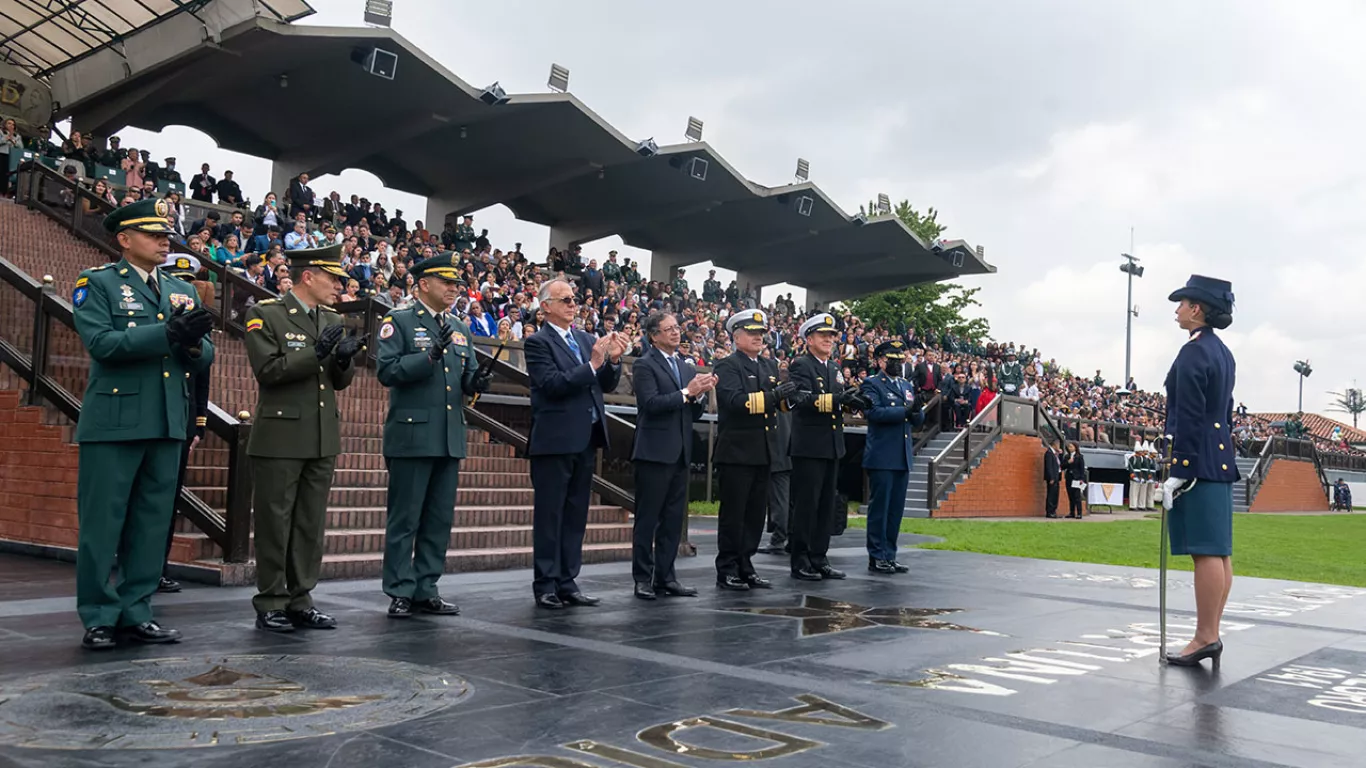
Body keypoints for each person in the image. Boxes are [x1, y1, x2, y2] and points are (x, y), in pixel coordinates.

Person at [71, 198, 215, 649]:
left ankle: (137, 610)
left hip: (167, 419)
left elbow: (206, 354)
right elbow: (102, 343)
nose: (163, 241)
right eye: (153, 234)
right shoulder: (97, 284)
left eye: (165, 235)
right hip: (115, 420)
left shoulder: (182, 290)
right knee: (103, 521)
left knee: (152, 522)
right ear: (124, 239)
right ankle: (98, 614)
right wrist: (166, 334)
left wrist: (191, 343)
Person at [243, 243, 362, 632]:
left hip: (321, 433)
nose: (338, 286)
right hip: (281, 433)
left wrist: (343, 358)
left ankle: (301, 598)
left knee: (310, 523)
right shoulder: (266, 315)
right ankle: (272, 599)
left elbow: (337, 383)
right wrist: (316, 353)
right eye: (332, 278)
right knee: (275, 521)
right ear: (307, 276)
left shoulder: (330, 318)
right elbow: (269, 371)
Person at [376, 254, 490, 618]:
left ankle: (427, 586)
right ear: (423, 284)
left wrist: (476, 382)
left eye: (457, 284)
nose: (455, 289)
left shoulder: (459, 326)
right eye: (448, 283)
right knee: (405, 518)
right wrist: (428, 357)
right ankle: (399, 589)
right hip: (412, 436)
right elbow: (387, 371)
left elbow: (465, 376)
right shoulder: (400, 321)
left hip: (448, 435)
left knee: (439, 518)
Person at [524, 278, 626, 609]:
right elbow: (552, 384)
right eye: (565, 299)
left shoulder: (584, 338)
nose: (573, 304)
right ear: (546, 307)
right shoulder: (538, 343)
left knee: (575, 514)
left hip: (585, 437)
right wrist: (594, 363)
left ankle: (568, 580)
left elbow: (604, 384)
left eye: (575, 298)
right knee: (550, 515)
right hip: (554, 440)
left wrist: (612, 361)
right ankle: (546, 583)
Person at [1162, 274, 1239, 667]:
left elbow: (1189, 415)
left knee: (1205, 552)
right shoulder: (1222, 352)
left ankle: (1205, 635)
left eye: (1182, 303)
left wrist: (1181, 468)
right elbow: (1223, 412)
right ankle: (1210, 631)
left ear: (1197, 309)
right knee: (1219, 551)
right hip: (1219, 453)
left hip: (1199, 458)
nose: (1176, 309)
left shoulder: (1194, 351)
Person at [629, 311, 714, 599]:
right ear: (654, 335)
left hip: (680, 451)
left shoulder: (685, 366)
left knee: (673, 520)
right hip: (653, 452)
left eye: (677, 328)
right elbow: (651, 403)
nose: (676, 333)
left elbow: (691, 411)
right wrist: (686, 393)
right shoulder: (644, 364)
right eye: (669, 329)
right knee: (647, 518)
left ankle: (666, 577)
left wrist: (699, 395)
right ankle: (642, 577)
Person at [713, 309, 793, 589]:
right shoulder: (727, 366)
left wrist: (790, 398)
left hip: (764, 451)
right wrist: (773, 396)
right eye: (752, 332)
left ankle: (746, 564)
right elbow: (736, 402)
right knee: (734, 514)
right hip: (737, 452)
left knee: (756, 515)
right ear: (736, 337)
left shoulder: (769, 366)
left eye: (761, 332)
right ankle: (728, 567)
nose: (759, 337)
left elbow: (776, 405)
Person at [155, 254, 213, 595]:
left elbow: (202, 377)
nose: (185, 290)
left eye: (190, 283)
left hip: (183, 417)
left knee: (169, 499)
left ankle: (158, 567)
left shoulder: (197, 320)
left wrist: (200, 424)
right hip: (156, 409)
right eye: (179, 281)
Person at [788, 312, 858, 581]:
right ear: (809, 339)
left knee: (826, 506)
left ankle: (819, 556)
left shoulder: (835, 368)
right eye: (823, 335)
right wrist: (837, 400)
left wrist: (851, 401)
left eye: (832, 335)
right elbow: (802, 399)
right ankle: (801, 559)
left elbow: (837, 400)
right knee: (806, 506)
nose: (829, 339)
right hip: (809, 445)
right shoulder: (801, 365)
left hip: (831, 445)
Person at [860, 341, 925, 574]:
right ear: (879, 361)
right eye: (892, 360)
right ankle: (876, 555)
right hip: (882, 455)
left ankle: (890, 554)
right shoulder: (872, 383)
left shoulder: (906, 385)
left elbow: (917, 420)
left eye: (900, 359)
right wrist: (904, 411)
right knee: (880, 509)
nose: (897, 364)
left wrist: (917, 410)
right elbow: (873, 412)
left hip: (901, 455)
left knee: (895, 510)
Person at [1063, 442, 1086, 519]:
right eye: (1069, 447)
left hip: (1076, 478)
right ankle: (1071, 512)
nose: (1070, 448)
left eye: (1071, 446)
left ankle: (1079, 513)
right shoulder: (1067, 456)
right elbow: (1062, 466)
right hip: (1069, 477)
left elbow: (1082, 469)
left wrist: (1082, 479)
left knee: (1077, 496)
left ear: (1075, 447)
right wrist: (1068, 462)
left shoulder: (1079, 457)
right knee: (1070, 495)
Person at [1042, 439, 1062, 518]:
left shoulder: (1055, 454)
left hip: (1057, 476)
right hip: (1052, 477)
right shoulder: (1049, 453)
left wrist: (1060, 454)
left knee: (1055, 495)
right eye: (1058, 445)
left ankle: (1054, 510)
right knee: (1051, 494)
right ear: (1055, 445)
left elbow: (1059, 464)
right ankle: (1050, 511)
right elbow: (1049, 467)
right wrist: (1051, 477)